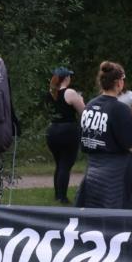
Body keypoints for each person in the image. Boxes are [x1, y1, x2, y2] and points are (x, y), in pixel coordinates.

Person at [75, 61, 132, 210]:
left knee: (93, 221)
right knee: (121, 224)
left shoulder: (89, 106)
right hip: (116, 176)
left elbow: (84, 140)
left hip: (92, 172)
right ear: (119, 83)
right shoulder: (120, 109)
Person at [44, 66, 84, 204]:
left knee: (59, 163)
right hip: (68, 131)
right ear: (66, 78)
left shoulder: (50, 93)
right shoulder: (70, 93)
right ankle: (62, 197)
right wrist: (81, 99)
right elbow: (83, 112)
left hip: (52, 131)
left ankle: (57, 194)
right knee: (66, 164)